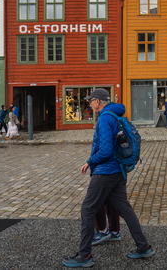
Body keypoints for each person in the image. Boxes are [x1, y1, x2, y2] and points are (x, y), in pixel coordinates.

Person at [62, 88, 154, 268]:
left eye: (90, 101)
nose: (89, 103)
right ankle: (143, 246)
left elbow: (105, 150)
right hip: (118, 171)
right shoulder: (114, 114)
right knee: (125, 208)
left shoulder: (104, 118)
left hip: (106, 172)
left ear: (98, 101)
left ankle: (84, 255)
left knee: (88, 209)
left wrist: (90, 161)